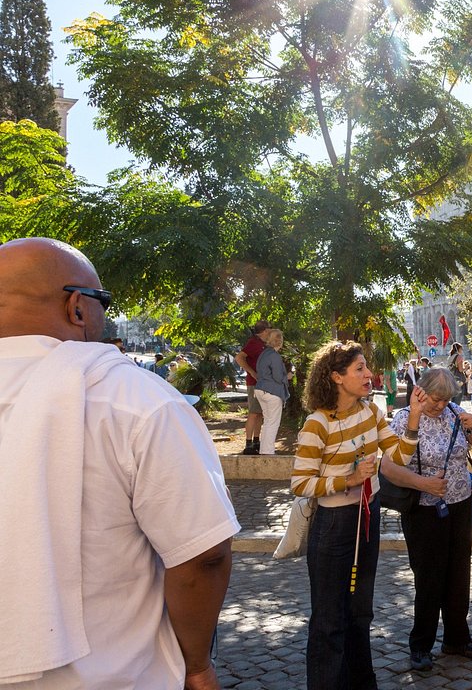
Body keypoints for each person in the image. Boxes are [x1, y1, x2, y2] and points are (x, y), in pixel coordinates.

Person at [0, 238, 239, 689]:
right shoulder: (135, 400)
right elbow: (204, 554)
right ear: (77, 307)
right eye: (103, 302)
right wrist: (197, 666)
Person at [291, 340, 417, 689]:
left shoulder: (372, 412)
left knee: (361, 612)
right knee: (330, 618)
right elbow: (300, 484)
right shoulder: (318, 423)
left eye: (366, 367)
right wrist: (347, 479)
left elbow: (401, 457)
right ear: (336, 377)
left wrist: (415, 418)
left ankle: (362, 682)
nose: (368, 374)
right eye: (359, 369)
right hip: (333, 525)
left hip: (368, 514)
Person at [381, 368, 472, 672]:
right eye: (435, 399)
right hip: (423, 509)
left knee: (458, 574)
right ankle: (421, 644)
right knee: (429, 579)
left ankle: (457, 638)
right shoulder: (405, 418)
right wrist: (424, 484)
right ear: (420, 391)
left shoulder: (456, 413)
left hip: (458, 505)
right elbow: (389, 468)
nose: (440, 405)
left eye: (446, 400)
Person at [235, 319, 269, 455]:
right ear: (265, 330)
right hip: (254, 383)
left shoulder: (263, 344)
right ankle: (248, 443)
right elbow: (239, 358)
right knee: (253, 413)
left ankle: (256, 441)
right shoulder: (254, 342)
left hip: (262, 383)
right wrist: (252, 372)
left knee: (259, 413)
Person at [254, 328, 289, 455]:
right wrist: (288, 377)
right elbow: (278, 377)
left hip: (260, 389)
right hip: (272, 391)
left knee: (268, 422)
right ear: (279, 341)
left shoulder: (264, 353)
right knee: (272, 423)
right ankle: (268, 452)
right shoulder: (274, 356)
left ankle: (264, 450)